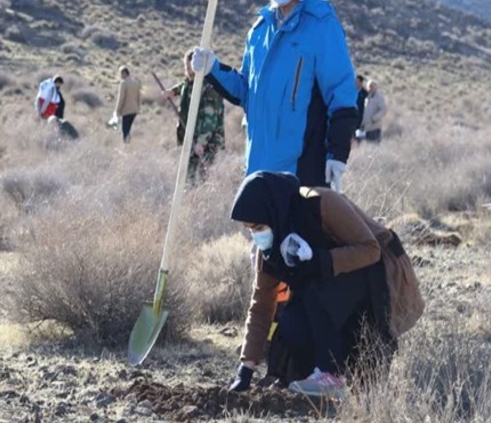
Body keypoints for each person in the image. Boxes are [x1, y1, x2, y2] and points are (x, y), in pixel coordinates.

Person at [226, 171, 423, 398]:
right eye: (250, 229)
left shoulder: (320, 203)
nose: (256, 235)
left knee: (313, 286)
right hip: (335, 289)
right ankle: (320, 374)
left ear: (274, 212)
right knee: (291, 325)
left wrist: (322, 261)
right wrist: (246, 369)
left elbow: (371, 250)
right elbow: (261, 303)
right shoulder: (270, 248)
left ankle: (330, 375)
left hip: (381, 274)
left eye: (259, 227)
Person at [191, 0, 358, 192]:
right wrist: (212, 68)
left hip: (303, 172)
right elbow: (246, 92)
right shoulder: (258, 32)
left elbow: (342, 93)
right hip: (258, 169)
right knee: (260, 233)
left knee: (299, 233)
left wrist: (337, 152)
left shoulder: (321, 25)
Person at [163, 49, 226, 183]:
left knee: (205, 179)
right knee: (188, 178)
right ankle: (189, 199)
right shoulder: (191, 81)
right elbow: (184, 86)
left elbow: (210, 120)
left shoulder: (210, 87)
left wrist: (201, 142)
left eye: (190, 67)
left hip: (208, 143)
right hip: (192, 138)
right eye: (186, 66)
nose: (187, 70)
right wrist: (172, 92)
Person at [111, 66, 141, 143]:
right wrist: (138, 108)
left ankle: (126, 146)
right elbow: (139, 97)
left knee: (125, 130)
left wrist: (117, 110)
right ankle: (128, 144)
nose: (120, 76)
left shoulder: (124, 83)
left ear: (124, 73)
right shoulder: (136, 83)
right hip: (134, 110)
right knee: (128, 129)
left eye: (121, 74)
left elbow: (121, 98)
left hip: (126, 110)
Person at [354, 75, 368, 141]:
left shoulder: (365, 93)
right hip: (352, 117)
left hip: (361, 119)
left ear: (361, 82)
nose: (355, 83)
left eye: (357, 81)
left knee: (359, 138)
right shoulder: (352, 92)